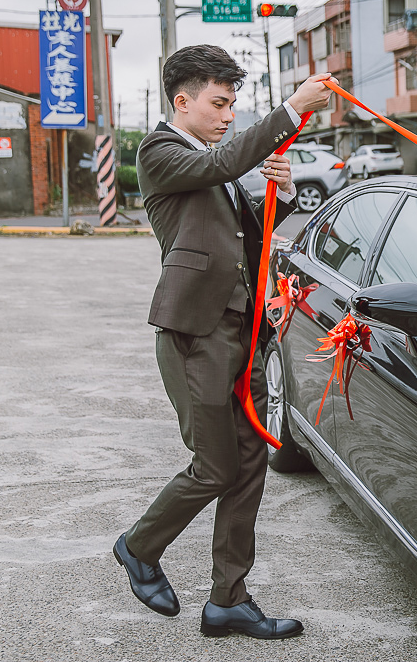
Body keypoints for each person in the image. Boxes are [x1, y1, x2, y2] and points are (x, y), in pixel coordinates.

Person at [113, 44, 334, 639]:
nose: (228, 113)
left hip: (242, 333)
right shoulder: (159, 152)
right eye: (219, 102)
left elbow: (250, 239)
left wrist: (279, 197)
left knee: (247, 467)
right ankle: (139, 546)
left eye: (234, 103)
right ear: (181, 101)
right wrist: (291, 109)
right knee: (214, 467)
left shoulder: (212, 161)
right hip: (196, 335)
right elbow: (225, 164)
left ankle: (228, 598)